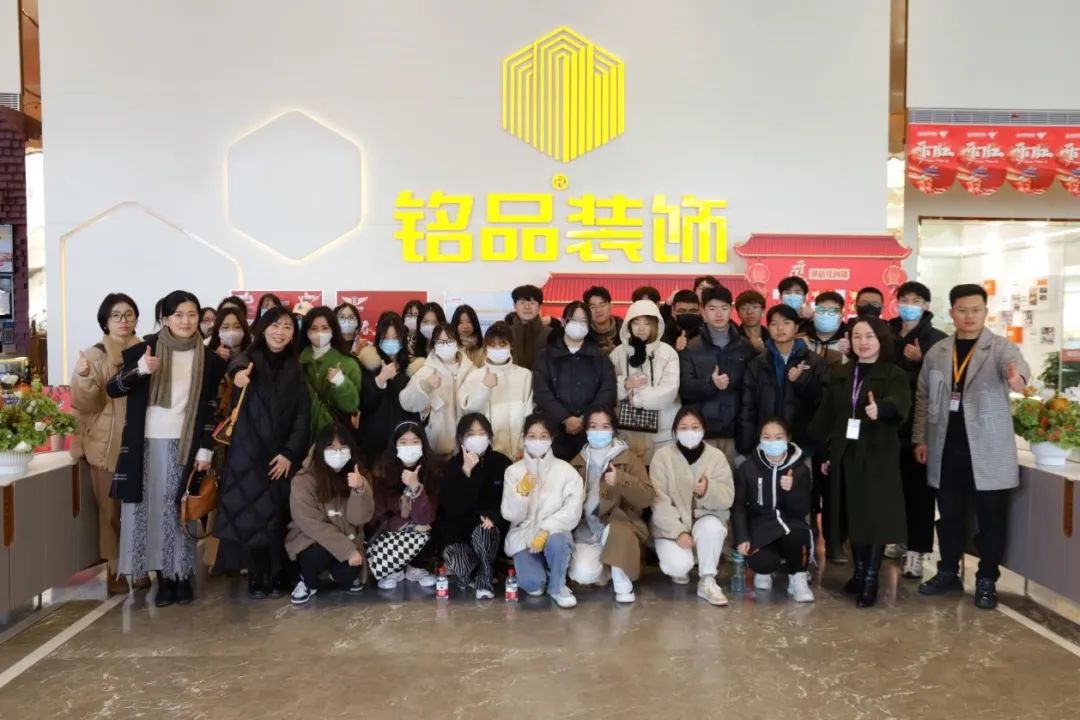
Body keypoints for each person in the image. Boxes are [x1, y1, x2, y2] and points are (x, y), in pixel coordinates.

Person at [913, 283, 1029, 610]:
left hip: (988, 451)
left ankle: (987, 580)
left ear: (985, 312)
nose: (969, 316)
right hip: (947, 449)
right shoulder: (938, 352)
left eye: (976, 310)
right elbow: (923, 397)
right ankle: (948, 571)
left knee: (991, 521)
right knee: (949, 517)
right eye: (962, 310)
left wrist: (1016, 378)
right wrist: (920, 438)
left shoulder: (1000, 348)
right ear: (952, 312)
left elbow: (1018, 372)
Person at [108, 290, 226, 607]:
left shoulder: (211, 360)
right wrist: (141, 370)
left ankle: (182, 576)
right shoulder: (142, 350)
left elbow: (210, 409)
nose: (186, 321)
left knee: (181, 512)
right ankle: (162, 577)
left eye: (192, 314)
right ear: (165, 318)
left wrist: (205, 449)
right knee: (150, 513)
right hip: (145, 445)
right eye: (178, 315)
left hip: (185, 446)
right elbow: (113, 388)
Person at [812, 316, 910, 608]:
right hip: (846, 453)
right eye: (857, 336)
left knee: (874, 516)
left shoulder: (893, 373)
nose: (863, 342)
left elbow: (901, 404)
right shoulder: (843, 373)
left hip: (877, 455)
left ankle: (870, 578)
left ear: (881, 339)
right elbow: (828, 416)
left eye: (869, 336)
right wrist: (825, 452)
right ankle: (858, 572)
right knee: (851, 513)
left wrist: (882, 409)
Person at [213, 307, 311, 597]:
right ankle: (257, 575)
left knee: (279, 515)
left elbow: (302, 416)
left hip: (282, 457)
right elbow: (237, 365)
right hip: (248, 455)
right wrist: (238, 375)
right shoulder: (249, 358)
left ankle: (279, 573)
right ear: (263, 328)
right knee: (251, 516)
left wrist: (289, 453)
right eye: (275, 325)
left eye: (287, 327)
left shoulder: (296, 367)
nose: (280, 332)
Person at [70, 293, 147, 595]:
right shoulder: (93, 356)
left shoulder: (148, 351)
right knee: (111, 512)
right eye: (116, 315)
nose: (123, 320)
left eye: (128, 314)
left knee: (139, 509)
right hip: (106, 443)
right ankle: (115, 568)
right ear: (105, 321)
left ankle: (138, 565)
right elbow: (84, 404)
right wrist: (84, 378)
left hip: (143, 440)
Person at [886, 281, 947, 577]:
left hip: (920, 427)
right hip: (887, 425)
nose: (909, 305)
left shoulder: (938, 340)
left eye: (917, 300)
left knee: (920, 492)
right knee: (893, 490)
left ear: (926, 305)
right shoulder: (885, 333)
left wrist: (921, 361)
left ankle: (917, 551)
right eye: (905, 299)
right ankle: (898, 537)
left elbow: (944, 382)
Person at [567, 406, 654, 603]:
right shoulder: (577, 462)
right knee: (582, 574)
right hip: (587, 530)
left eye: (605, 426)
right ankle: (609, 567)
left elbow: (647, 498)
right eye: (593, 426)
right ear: (586, 429)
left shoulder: (629, 458)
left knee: (614, 529)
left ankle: (623, 583)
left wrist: (622, 480)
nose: (599, 431)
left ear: (613, 429)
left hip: (620, 526)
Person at [649, 408, 734, 606]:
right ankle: (682, 567)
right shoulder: (663, 456)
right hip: (672, 526)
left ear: (703, 429)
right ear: (675, 431)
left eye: (695, 427)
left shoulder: (717, 457)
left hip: (704, 520)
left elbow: (727, 497)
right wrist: (677, 531)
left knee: (712, 527)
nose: (689, 432)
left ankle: (707, 580)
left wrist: (708, 491)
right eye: (683, 427)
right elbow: (658, 500)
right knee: (678, 566)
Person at [501, 414, 585, 608]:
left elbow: (572, 511)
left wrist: (546, 530)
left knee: (558, 543)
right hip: (523, 537)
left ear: (552, 438)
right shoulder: (513, 471)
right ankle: (544, 572)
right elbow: (509, 515)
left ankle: (558, 586)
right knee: (533, 585)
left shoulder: (566, 471)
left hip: (554, 534)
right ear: (524, 438)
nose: (538, 441)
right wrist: (521, 493)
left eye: (543, 436)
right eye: (532, 436)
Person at [285, 423, 374, 604]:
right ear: (320, 449)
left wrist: (360, 489)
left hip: (348, 536)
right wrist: (347, 550)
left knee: (350, 572)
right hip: (311, 539)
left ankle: (334, 575)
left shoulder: (358, 474)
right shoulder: (303, 480)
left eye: (343, 447)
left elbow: (358, 519)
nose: (338, 453)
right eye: (332, 448)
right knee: (316, 555)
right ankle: (307, 582)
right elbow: (311, 524)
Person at [733, 418, 815, 603]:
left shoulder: (801, 470)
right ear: (760, 439)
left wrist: (792, 490)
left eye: (778, 437)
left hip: (790, 523)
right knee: (762, 563)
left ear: (788, 439)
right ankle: (765, 571)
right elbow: (739, 506)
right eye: (767, 437)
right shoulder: (747, 468)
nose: (772, 442)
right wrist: (742, 537)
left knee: (798, 535)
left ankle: (798, 577)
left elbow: (802, 510)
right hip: (761, 525)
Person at [738, 304, 828, 462]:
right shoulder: (757, 364)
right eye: (774, 324)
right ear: (768, 328)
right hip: (766, 441)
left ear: (796, 327)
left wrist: (802, 381)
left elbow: (823, 403)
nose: (780, 328)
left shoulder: (815, 362)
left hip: (803, 443)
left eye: (786, 323)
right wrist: (745, 447)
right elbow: (748, 407)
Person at [679, 285, 757, 466]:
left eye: (724, 308)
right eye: (712, 308)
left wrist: (747, 436)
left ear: (731, 310)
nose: (719, 314)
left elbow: (751, 395)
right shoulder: (691, 348)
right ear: (703, 311)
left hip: (736, 435)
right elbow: (684, 387)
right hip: (701, 434)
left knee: (734, 482)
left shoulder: (745, 347)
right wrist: (711, 384)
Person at [437, 414, 512, 599]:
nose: (477, 438)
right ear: (461, 438)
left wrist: (495, 517)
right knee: (457, 560)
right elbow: (451, 507)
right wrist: (466, 472)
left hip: (488, 529)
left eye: (482, 433)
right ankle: (476, 573)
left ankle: (485, 580)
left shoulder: (501, 463)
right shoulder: (452, 466)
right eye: (471, 434)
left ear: (490, 436)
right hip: (460, 532)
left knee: (483, 532)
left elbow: (510, 499)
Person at [533, 301, 617, 460]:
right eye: (574, 320)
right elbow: (541, 392)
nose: (578, 325)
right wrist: (565, 418)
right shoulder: (545, 356)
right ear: (563, 321)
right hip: (554, 433)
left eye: (583, 321)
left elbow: (608, 390)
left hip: (591, 433)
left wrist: (586, 418)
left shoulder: (600, 357)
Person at [368, 421, 441, 589]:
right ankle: (392, 569)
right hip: (391, 533)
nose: (409, 447)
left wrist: (416, 487)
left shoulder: (433, 471)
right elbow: (379, 513)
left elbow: (427, 517)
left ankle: (417, 568)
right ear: (395, 445)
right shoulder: (382, 471)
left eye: (415, 442)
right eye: (403, 442)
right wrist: (409, 525)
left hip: (422, 532)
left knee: (428, 530)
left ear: (423, 444)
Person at [609, 299, 681, 464]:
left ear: (655, 325)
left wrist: (638, 399)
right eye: (636, 323)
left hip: (662, 434)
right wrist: (625, 384)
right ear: (628, 325)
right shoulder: (618, 353)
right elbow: (608, 386)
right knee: (630, 475)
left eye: (646, 323)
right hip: (625, 431)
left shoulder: (668, 353)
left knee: (659, 474)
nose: (641, 328)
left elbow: (670, 390)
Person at [356, 313, 425, 465]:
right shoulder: (367, 364)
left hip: (405, 445)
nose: (390, 342)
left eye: (395, 338)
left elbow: (416, 408)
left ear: (403, 339)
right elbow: (364, 403)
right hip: (374, 444)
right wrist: (380, 380)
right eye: (386, 338)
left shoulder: (414, 368)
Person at [459, 321, 534, 459]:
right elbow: (469, 413)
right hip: (488, 455)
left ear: (511, 346)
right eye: (492, 345)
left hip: (520, 454)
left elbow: (529, 414)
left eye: (503, 345)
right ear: (485, 347)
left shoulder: (525, 375)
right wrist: (484, 388)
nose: (498, 349)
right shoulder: (474, 376)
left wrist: (525, 447)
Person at [400, 323, 471, 456]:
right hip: (438, 445)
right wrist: (425, 386)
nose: (445, 345)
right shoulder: (426, 371)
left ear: (457, 342)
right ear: (433, 345)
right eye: (440, 342)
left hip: (468, 443)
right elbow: (406, 401)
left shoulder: (471, 370)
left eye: (449, 341)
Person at [299, 307, 362, 440]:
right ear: (306, 331)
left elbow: (351, 406)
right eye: (314, 328)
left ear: (333, 330)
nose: (319, 333)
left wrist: (341, 383)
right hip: (301, 432)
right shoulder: (296, 360)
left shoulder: (348, 363)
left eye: (325, 328)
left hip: (333, 436)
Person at [508, 284, 554, 371]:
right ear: (514, 306)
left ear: (540, 306)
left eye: (532, 303)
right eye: (522, 303)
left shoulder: (551, 334)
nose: (527, 307)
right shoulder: (507, 334)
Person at [802, 290, 850, 372]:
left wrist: (850, 353)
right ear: (814, 313)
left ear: (841, 316)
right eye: (821, 310)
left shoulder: (851, 341)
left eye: (833, 311)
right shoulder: (801, 339)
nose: (826, 314)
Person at [583, 286, 622, 354]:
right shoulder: (584, 336)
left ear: (610, 306)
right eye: (592, 307)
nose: (598, 310)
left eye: (602, 305)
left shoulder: (625, 330)